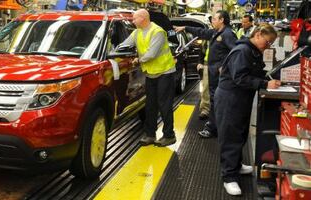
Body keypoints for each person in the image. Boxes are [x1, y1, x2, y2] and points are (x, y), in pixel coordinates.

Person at [215, 23, 280, 196]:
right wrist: (265, 84)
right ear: (258, 34)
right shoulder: (242, 51)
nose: (268, 46)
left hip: (240, 98)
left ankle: (236, 164)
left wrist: (269, 78)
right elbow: (240, 78)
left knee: (240, 133)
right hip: (230, 98)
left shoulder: (253, 51)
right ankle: (229, 177)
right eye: (267, 42)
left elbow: (254, 72)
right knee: (230, 136)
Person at [118, 9, 176, 147]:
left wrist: (138, 60)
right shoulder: (137, 32)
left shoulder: (158, 32)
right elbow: (125, 45)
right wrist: (113, 53)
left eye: (135, 19)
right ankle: (150, 134)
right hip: (150, 73)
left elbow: (152, 54)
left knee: (164, 105)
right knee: (150, 105)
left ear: (143, 18)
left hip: (165, 72)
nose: (133, 21)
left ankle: (169, 135)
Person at [175, 10, 237, 138]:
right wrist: (185, 28)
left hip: (220, 75)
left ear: (222, 20)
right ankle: (215, 128)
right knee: (215, 100)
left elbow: (236, 52)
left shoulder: (228, 34)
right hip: (213, 73)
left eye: (214, 19)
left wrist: (224, 67)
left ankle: (212, 129)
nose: (212, 21)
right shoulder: (216, 32)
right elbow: (201, 32)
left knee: (217, 101)